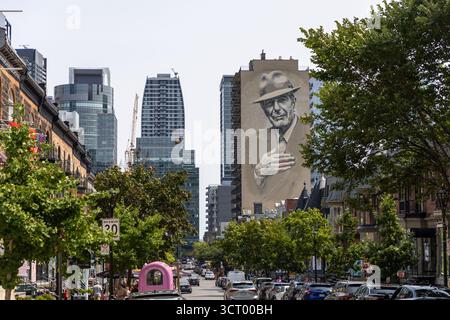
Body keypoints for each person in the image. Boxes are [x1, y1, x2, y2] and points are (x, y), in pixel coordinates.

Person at [252, 71, 303, 190]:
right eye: (269, 103)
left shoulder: (310, 135)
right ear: (263, 108)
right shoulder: (256, 141)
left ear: (293, 102)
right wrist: (258, 175)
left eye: (282, 100)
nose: (276, 108)